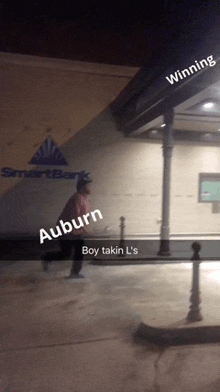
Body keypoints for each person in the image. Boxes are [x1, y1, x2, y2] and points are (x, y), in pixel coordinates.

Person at [41, 178, 92, 278]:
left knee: (72, 251)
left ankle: (74, 272)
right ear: (83, 188)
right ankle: (47, 258)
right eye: (88, 186)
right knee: (67, 253)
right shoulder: (77, 197)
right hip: (67, 229)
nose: (90, 188)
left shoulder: (85, 198)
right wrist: (82, 230)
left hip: (74, 229)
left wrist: (83, 228)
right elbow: (75, 215)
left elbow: (84, 215)